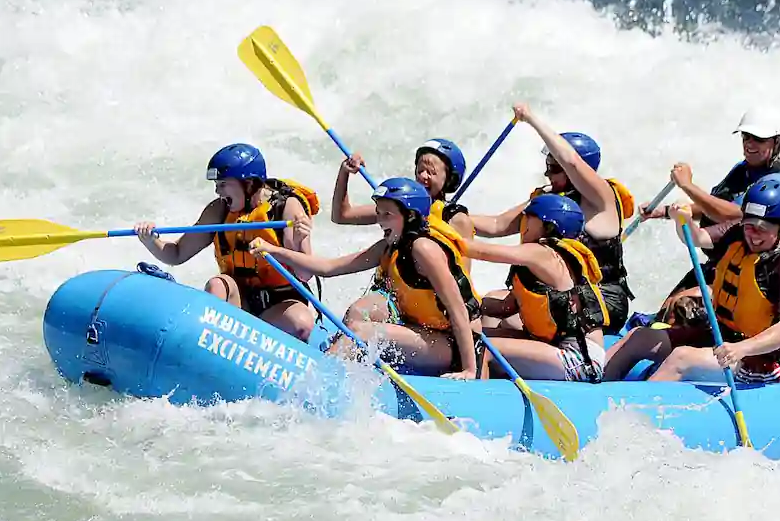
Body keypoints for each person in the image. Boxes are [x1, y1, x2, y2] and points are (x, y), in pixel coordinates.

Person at [252, 177, 482, 380]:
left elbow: (457, 310)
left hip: (446, 343)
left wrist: (469, 369)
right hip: (417, 327)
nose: (380, 221)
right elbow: (328, 267)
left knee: (362, 332)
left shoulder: (424, 249)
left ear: (410, 216)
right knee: (356, 316)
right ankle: (339, 370)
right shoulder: (390, 246)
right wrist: (274, 251)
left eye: (387, 215)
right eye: (379, 213)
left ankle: (316, 380)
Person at [604, 177, 780, 384]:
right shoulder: (739, 232)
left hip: (768, 355)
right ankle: (589, 390)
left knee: (681, 358)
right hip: (725, 333)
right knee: (639, 337)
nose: (753, 235)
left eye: (762, 230)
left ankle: (635, 416)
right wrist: (684, 221)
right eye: (749, 226)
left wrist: (742, 349)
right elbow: (697, 238)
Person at [638, 104, 780, 327]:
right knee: (666, 310)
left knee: (680, 308)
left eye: (758, 139)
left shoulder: (778, 184)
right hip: (728, 261)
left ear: (777, 143)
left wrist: (688, 186)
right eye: (746, 136)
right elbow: (717, 204)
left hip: (759, 276)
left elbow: (739, 215)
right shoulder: (744, 169)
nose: (749, 144)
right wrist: (664, 212)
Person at [471, 103, 635, 333]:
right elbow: (497, 224)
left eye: (554, 168)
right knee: (489, 307)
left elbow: (571, 160)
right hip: (559, 295)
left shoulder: (601, 201)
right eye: (547, 166)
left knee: (509, 322)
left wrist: (530, 118)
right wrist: (447, 217)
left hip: (601, 300)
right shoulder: (551, 202)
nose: (548, 173)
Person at [134, 143, 319, 341]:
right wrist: (150, 240)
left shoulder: (286, 208)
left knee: (301, 323)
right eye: (216, 185)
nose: (217, 192)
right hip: (239, 300)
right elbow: (176, 254)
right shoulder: (219, 210)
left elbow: (304, 275)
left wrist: (301, 239)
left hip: (281, 304)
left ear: (249, 184)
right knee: (217, 285)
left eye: (222, 184)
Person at [330, 139, 475, 327]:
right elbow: (342, 215)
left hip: (427, 311)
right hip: (391, 297)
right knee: (358, 313)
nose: (423, 176)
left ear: (449, 178)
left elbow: (462, 280)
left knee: (359, 314)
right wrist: (344, 174)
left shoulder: (456, 220)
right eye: (420, 170)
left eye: (431, 172)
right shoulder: (400, 205)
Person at [465, 194, 608, 382]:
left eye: (528, 220)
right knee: (472, 336)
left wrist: (440, 234)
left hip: (579, 361)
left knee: (482, 348)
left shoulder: (542, 253)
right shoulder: (539, 263)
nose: (522, 226)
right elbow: (504, 308)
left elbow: (481, 252)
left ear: (547, 226)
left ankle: (474, 400)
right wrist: (460, 307)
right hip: (559, 349)